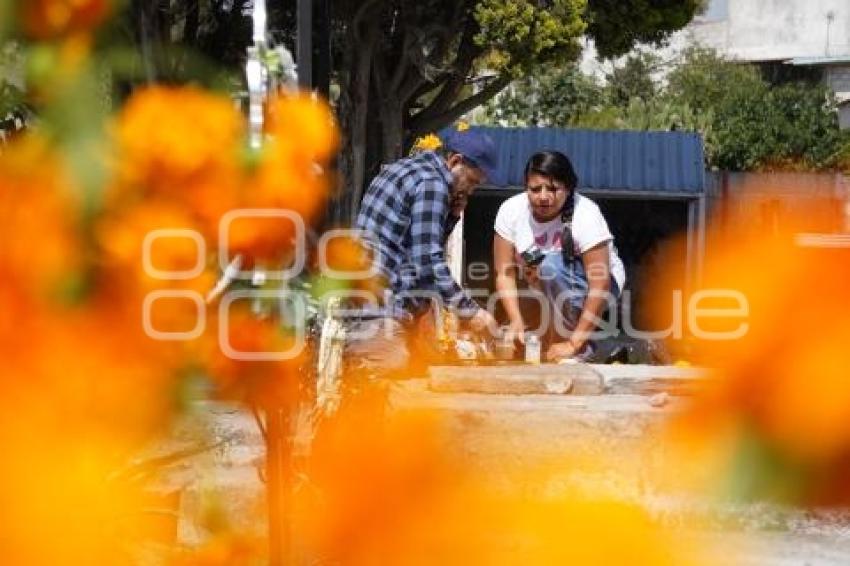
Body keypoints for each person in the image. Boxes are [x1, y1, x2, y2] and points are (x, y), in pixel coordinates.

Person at [347, 128, 499, 374]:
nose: (470, 191)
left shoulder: (408, 169)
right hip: (376, 310)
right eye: (471, 181)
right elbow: (428, 262)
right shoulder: (433, 185)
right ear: (455, 161)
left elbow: (416, 244)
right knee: (398, 366)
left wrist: (451, 216)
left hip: (368, 296)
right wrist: (471, 312)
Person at [493, 150, 626, 362]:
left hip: (599, 283)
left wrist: (573, 343)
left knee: (551, 266)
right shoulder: (511, 211)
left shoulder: (586, 215)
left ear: (568, 188)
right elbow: (504, 274)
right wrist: (515, 320)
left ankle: (581, 349)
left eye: (553, 189)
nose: (543, 197)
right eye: (535, 189)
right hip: (541, 281)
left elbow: (600, 285)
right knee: (521, 339)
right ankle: (601, 346)